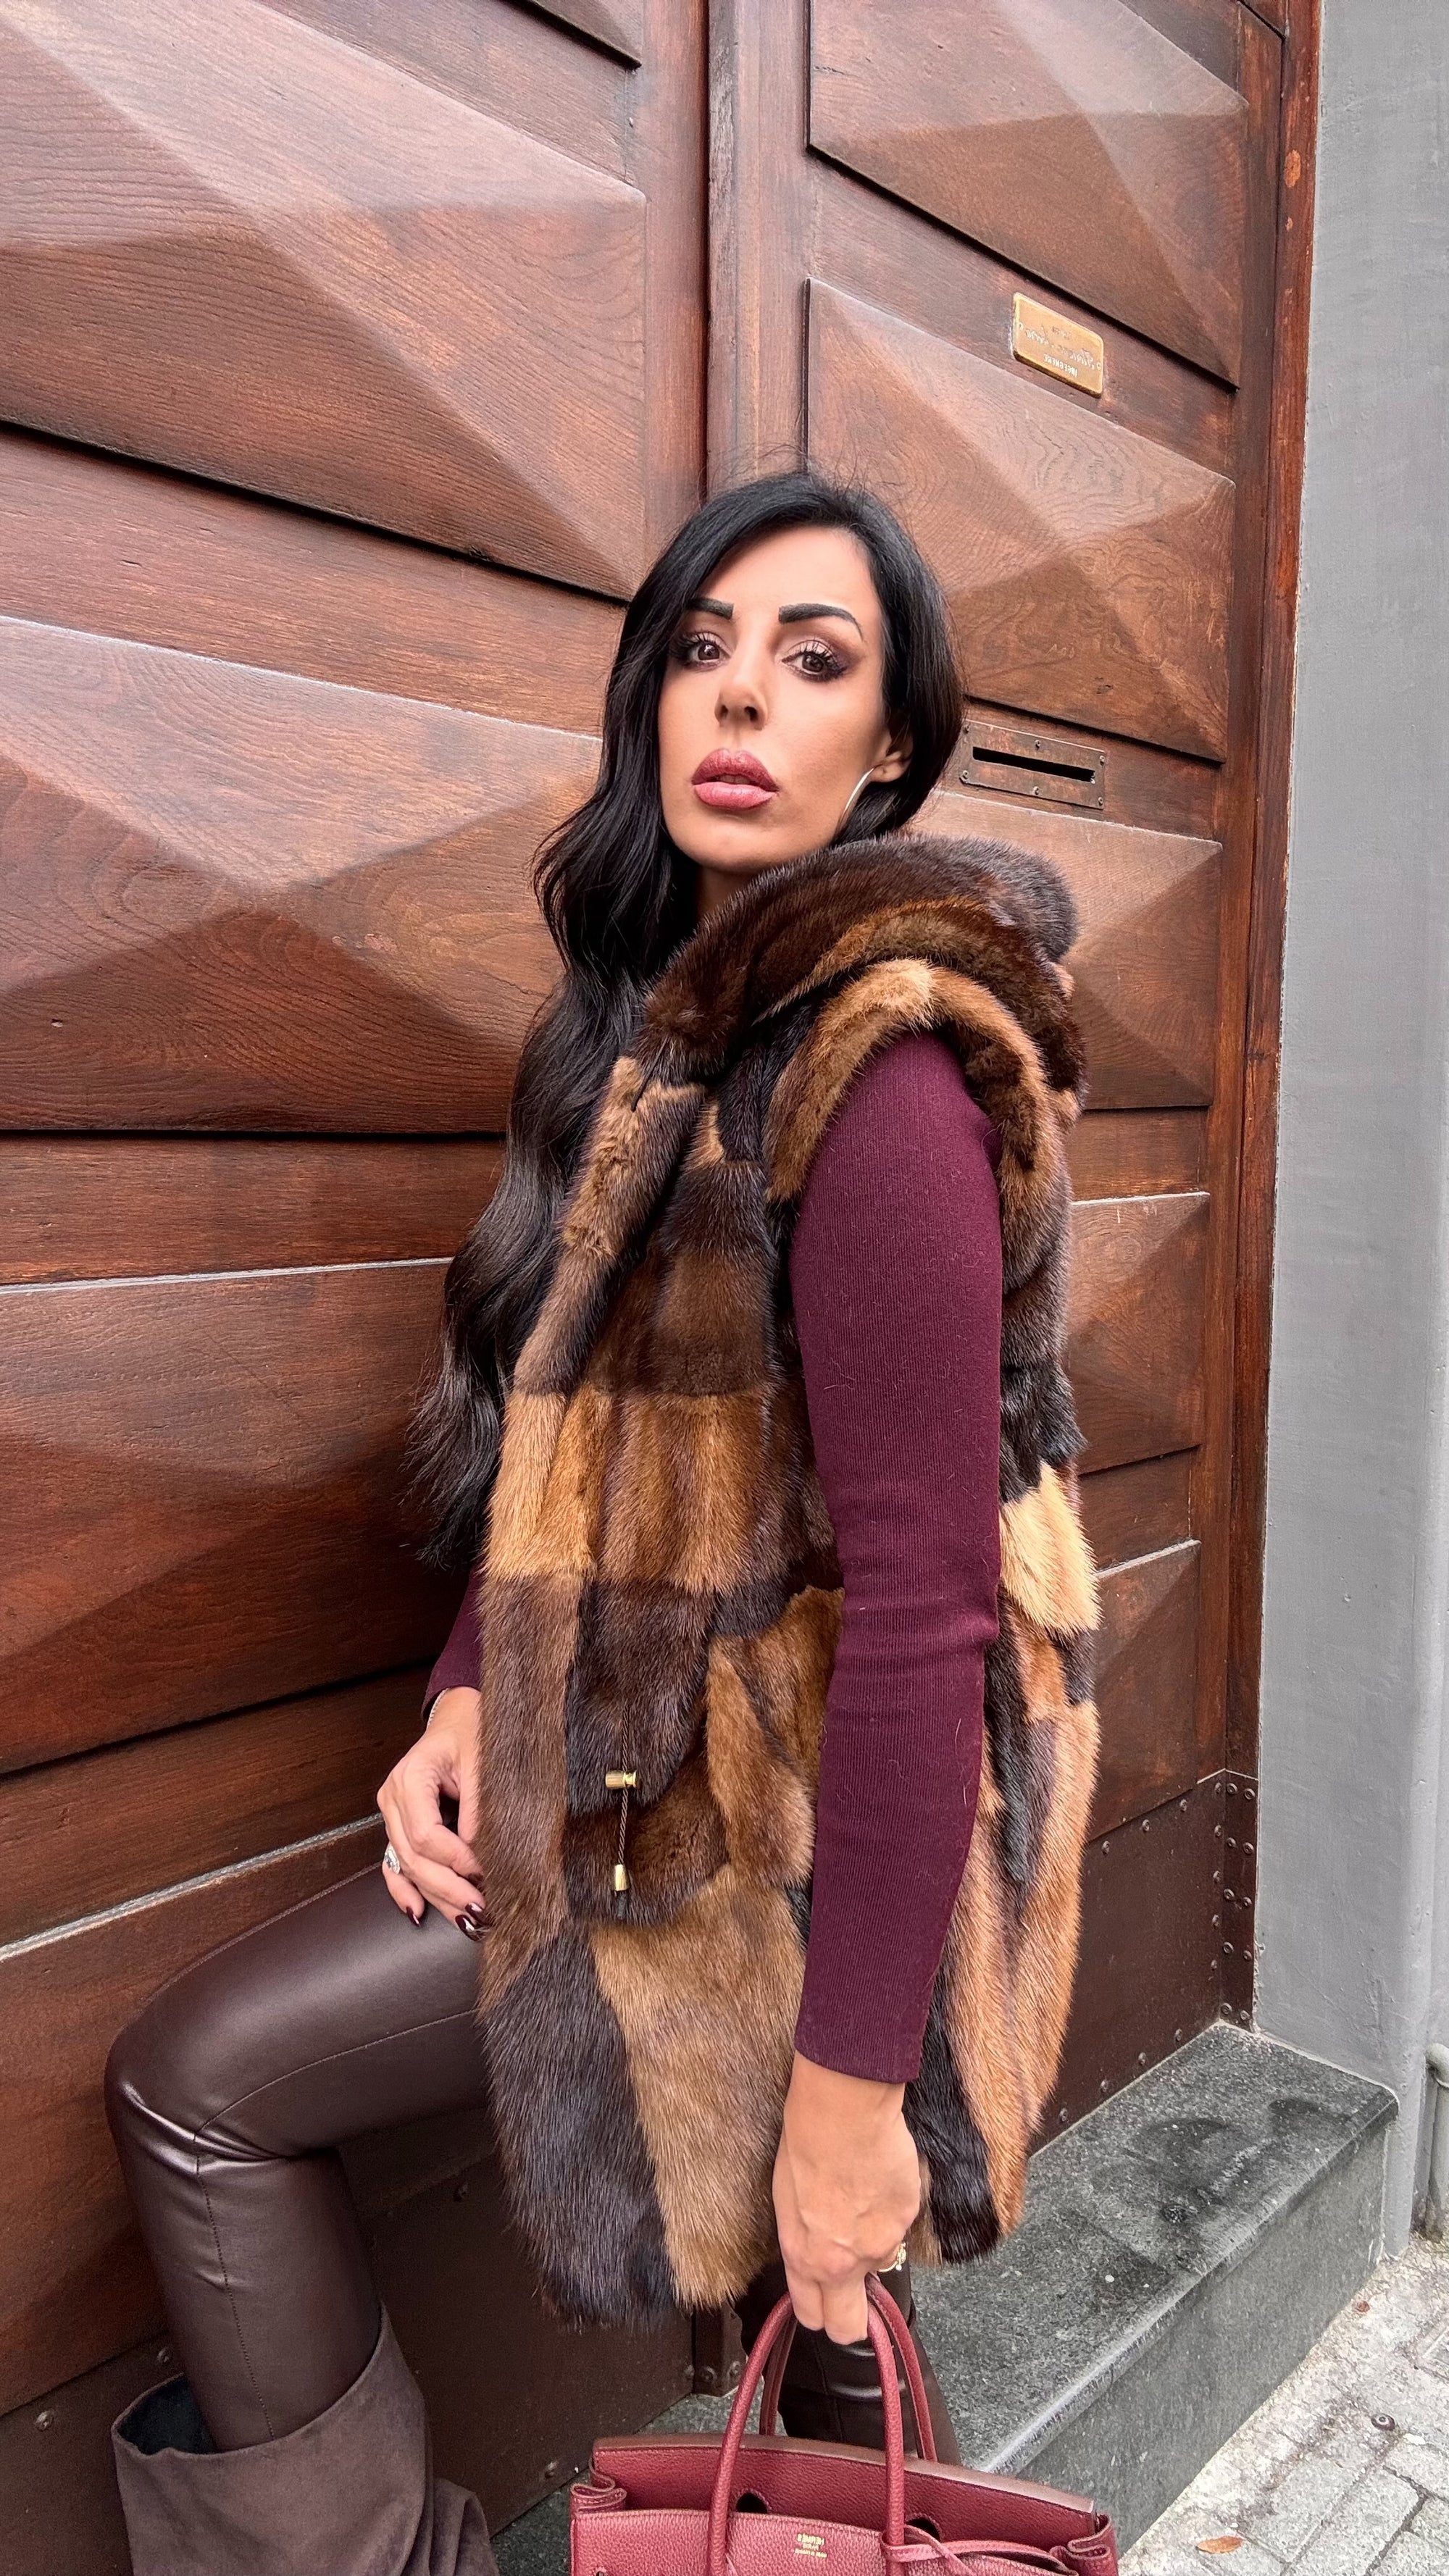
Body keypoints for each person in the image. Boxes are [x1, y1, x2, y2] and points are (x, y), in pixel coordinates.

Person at [103, 470, 1099, 2576]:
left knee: (206, 2088)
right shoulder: (661, 1046)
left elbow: (927, 1611)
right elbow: (575, 1436)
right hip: (650, 1800)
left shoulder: (880, 1069)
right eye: (701, 649)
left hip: (789, 1857)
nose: (739, 697)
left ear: (891, 749)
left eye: (813, 661)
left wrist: (853, 2091)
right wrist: (471, 1691)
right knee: (814, 2354)